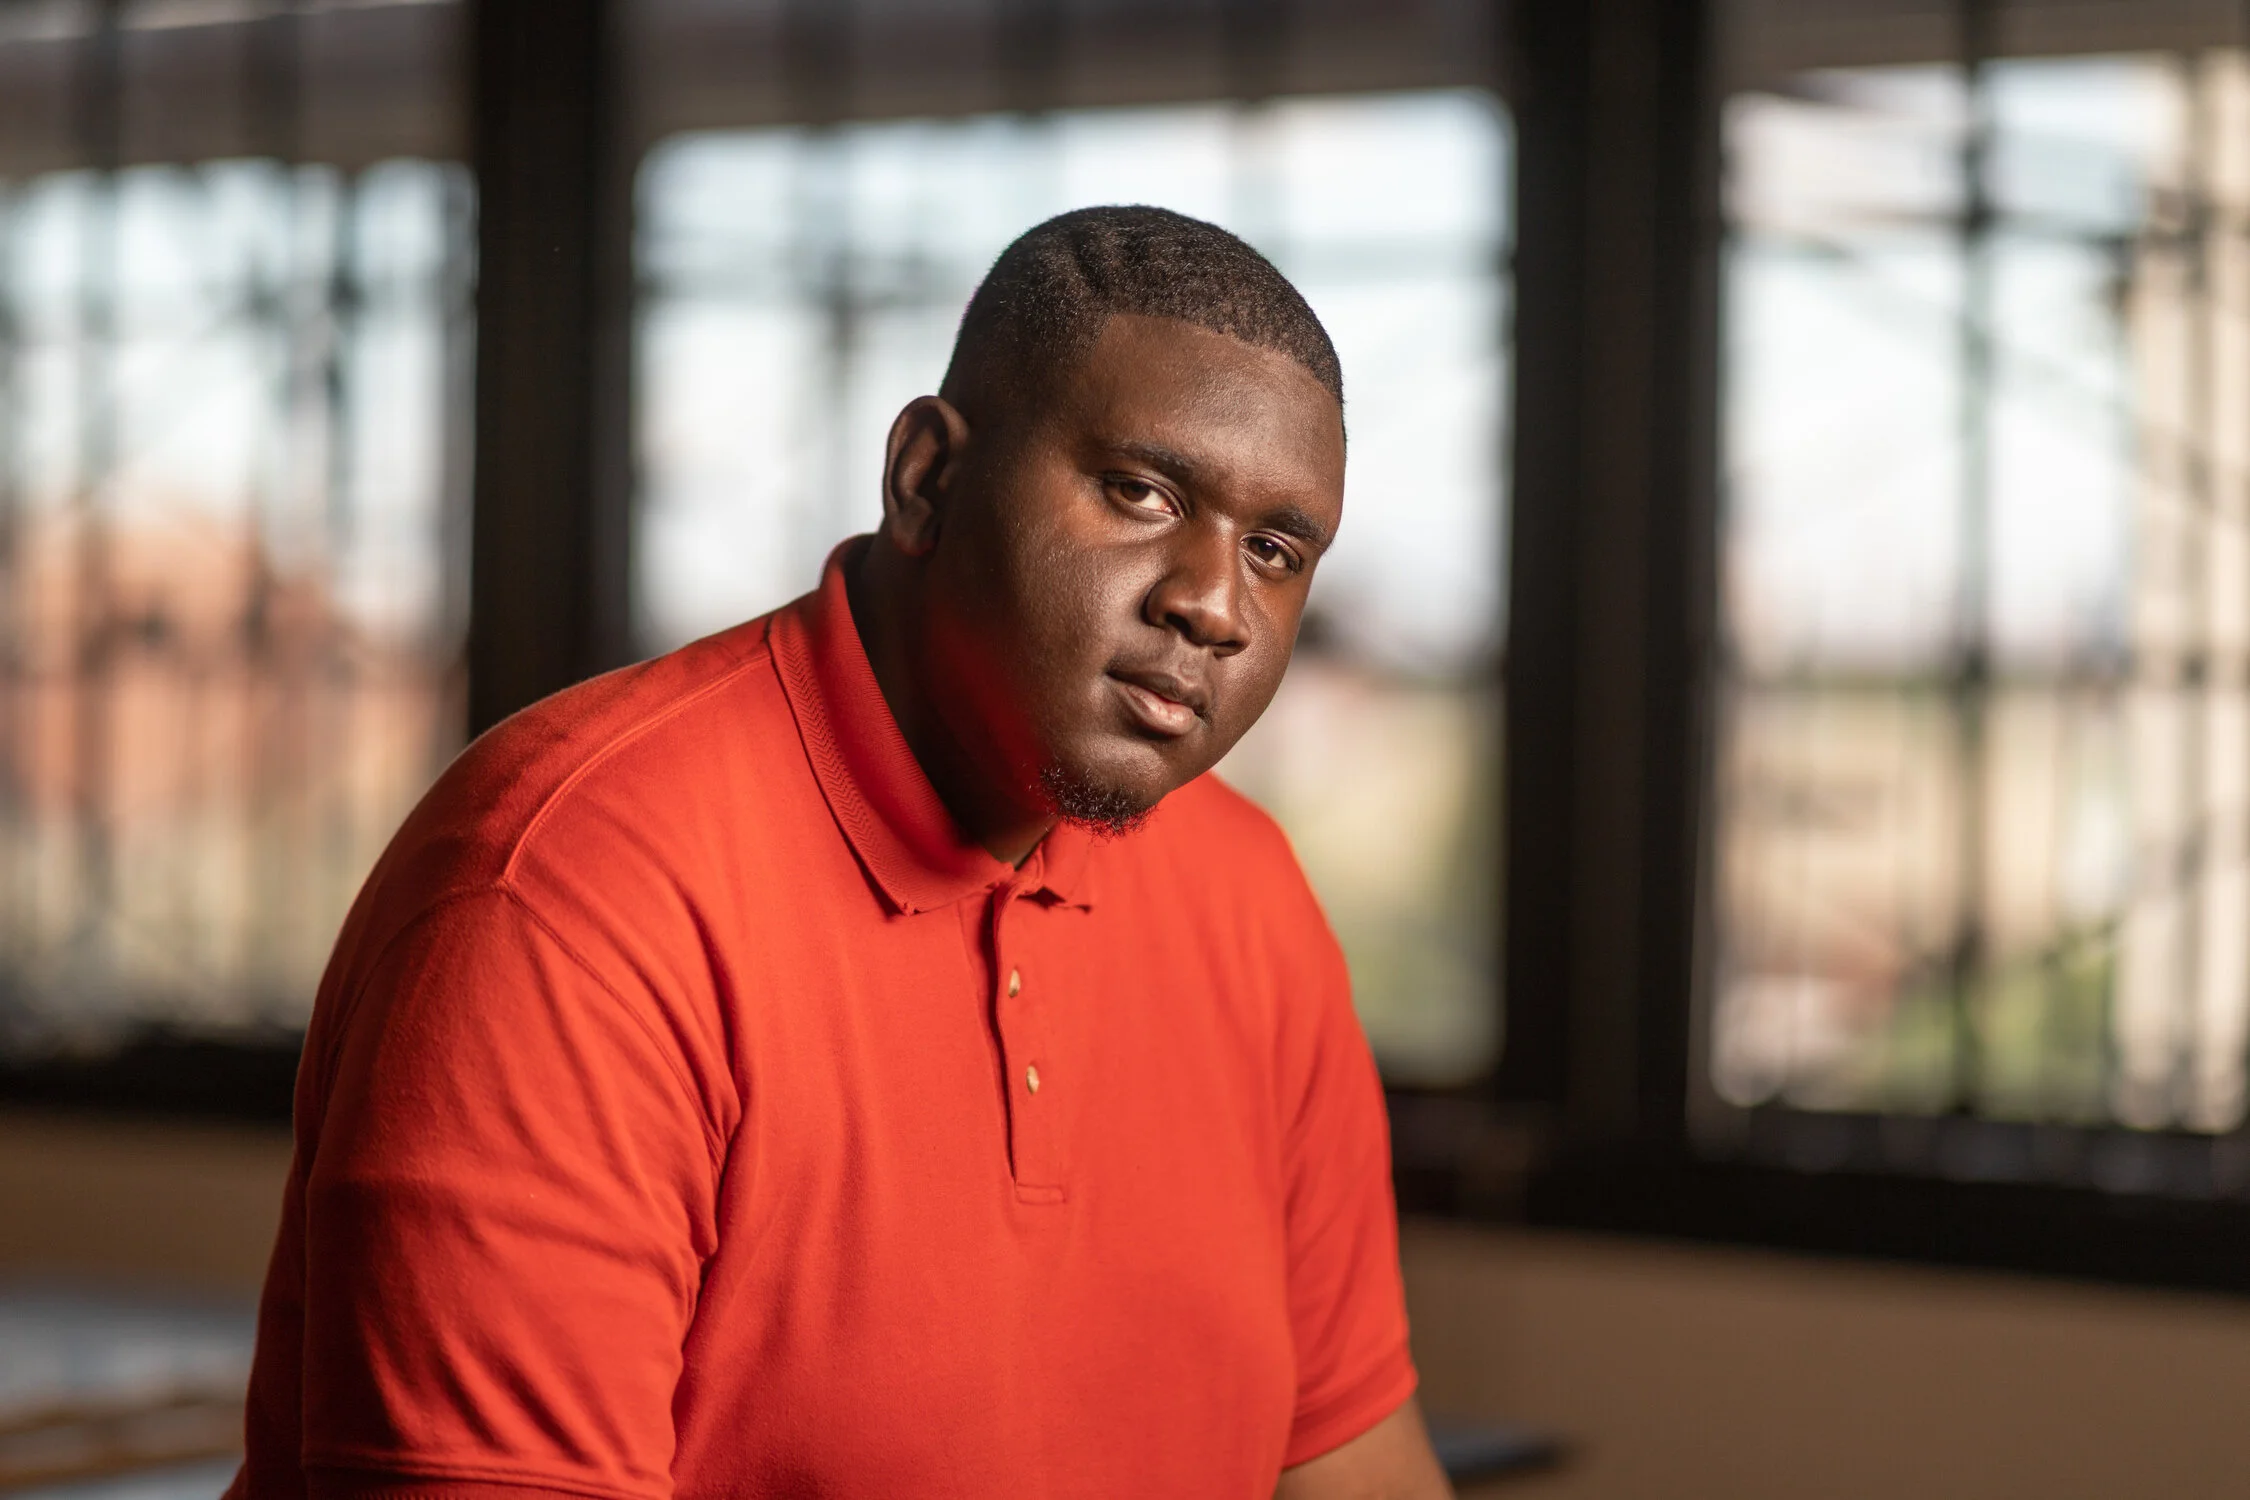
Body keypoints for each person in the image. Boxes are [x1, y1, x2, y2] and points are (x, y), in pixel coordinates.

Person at [229, 206, 1452, 1500]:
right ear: (926, 478)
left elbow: (1351, 1457)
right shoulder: (570, 892)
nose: (1210, 602)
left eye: (1275, 551)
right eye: (1138, 492)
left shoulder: (1247, 893)